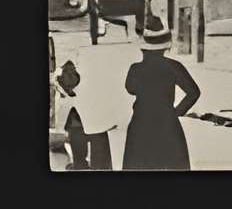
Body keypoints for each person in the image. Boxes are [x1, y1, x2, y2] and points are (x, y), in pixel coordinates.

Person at [121, 19, 200, 171]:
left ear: (144, 49)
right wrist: (176, 112)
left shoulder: (136, 69)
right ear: (164, 48)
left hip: (141, 123)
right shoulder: (173, 66)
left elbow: (130, 89)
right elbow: (194, 93)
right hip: (167, 123)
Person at [53, 56, 120, 170]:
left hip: (78, 123)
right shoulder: (85, 77)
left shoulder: (64, 81)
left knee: (82, 154)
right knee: (98, 158)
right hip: (90, 122)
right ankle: (91, 166)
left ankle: (82, 166)